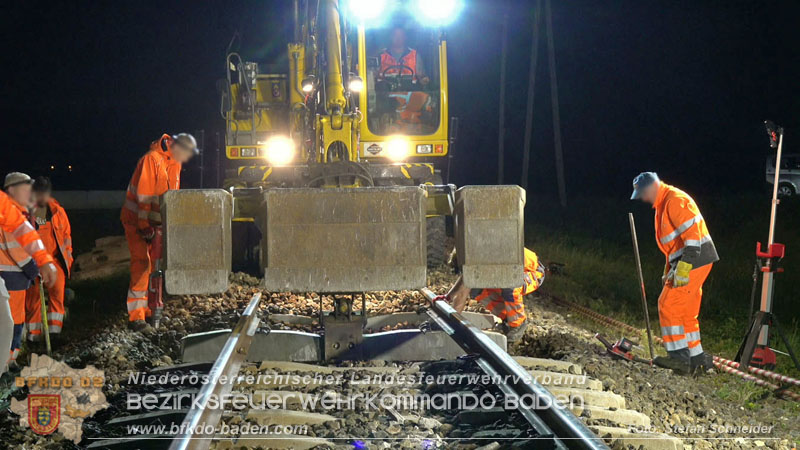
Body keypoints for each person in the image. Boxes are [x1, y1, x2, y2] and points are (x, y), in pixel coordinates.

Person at [631, 172, 719, 374]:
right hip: (693, 261)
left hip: (695, 260)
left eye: (643, 194)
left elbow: (693, 237)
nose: (643, 199)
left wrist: (684, 268)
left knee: (667, 305)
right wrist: (668, 270)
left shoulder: (674, 200)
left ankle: (679, 359)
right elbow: (672, 248)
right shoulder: (664, 204)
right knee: (686, 312)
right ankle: (697, 359)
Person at [121, 133, 197, 331]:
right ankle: (136, 317)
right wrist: (143, 224)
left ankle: (148, 311)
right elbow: (144, 196)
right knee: (142, 264)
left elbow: (172, 197)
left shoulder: (174, 163)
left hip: (155, 223)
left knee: (154, 266)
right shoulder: (151, 160)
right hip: (136, 220)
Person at [1, 174, 56, 370]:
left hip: (14, 275)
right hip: (10, 276)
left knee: (15, 320)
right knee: (12, 322)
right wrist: (34, 269)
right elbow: (16, 247)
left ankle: (10, 360)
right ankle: (6, 363)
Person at [446, 248, 545, 342]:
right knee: (477, 290)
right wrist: (448, 298)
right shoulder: (474, 256)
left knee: (511, 287)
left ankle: (518, 324)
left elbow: (463, 292)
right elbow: (464, 286)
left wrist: (452, 323)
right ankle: (507, 320)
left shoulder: (484, 256)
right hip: (505, 274)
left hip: (532, 272)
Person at [25, 177, 73, 344]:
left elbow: (66, 238)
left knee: (57, 292)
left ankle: (54, 333)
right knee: (32, 300)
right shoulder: (25, 212)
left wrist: (68, 260)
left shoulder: (58, 212)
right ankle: (34, 335)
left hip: (53, 261)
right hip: (32, 262)